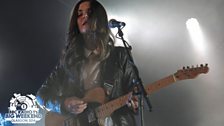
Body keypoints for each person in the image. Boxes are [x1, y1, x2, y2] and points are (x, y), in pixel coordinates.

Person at [36, 0, 139, 125]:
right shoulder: (69, 60)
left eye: (89, 13)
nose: (84, 17)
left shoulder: (120, 55)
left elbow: (134, 93)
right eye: (79, 14)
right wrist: (64, 104)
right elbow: (41, 95)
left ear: (100, 19)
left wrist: (134, 103)